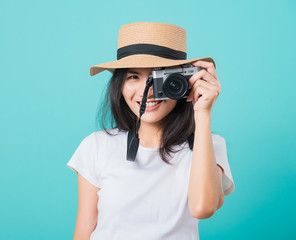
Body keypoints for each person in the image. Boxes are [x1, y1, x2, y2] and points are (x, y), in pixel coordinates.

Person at [67, 22, 235, 240]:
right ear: (119, 84)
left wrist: (202, 114)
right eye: (133, 77)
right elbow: (83, 233)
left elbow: (203, 208)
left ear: (184, 81)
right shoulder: (96, 146)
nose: (147, 91)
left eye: (159, 78)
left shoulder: (208, 145)